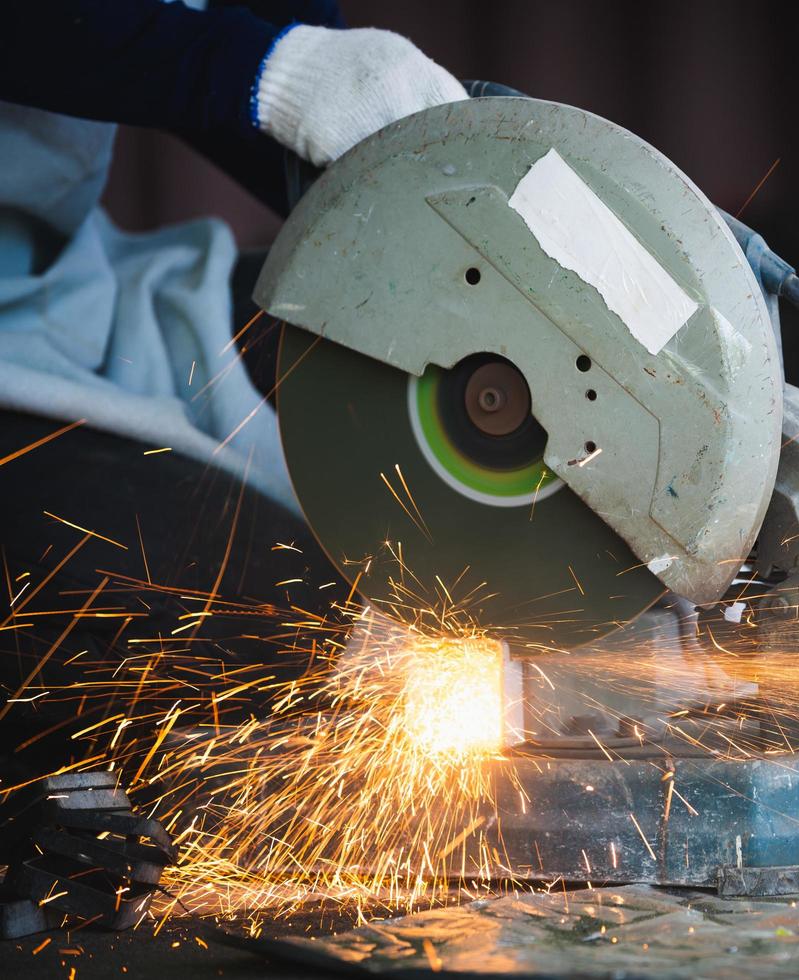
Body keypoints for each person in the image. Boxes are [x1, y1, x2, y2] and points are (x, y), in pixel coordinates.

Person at [0, 0, 467, 779]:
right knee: (288, 619)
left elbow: (268, 60)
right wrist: (267, 70)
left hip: (61, 295)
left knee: (391, 353)